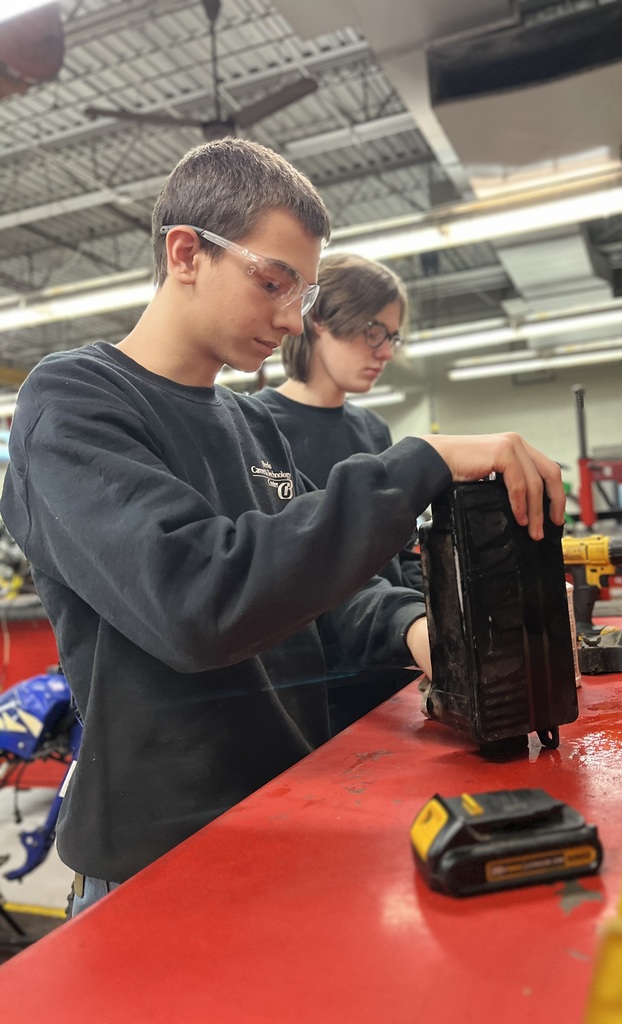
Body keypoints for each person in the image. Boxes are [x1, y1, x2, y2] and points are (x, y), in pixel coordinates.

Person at [0, 137, 564, 916]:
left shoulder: (252, 428)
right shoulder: (74, 404)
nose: (292, 318)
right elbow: (198, 600)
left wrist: (424, 632)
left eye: (303, 292)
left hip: (287, 816)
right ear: (187, 252)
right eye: (272, 282)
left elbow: (324, 592)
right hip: (158, 867)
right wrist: (418, 463)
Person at [255, 253, 422, 732]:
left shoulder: (373, 430)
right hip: (317, 691)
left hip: (394, 664)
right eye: (374, 331)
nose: (386, 351)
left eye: (392, 336)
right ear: (319, 318)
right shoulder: (259, 428)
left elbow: (399, 554)